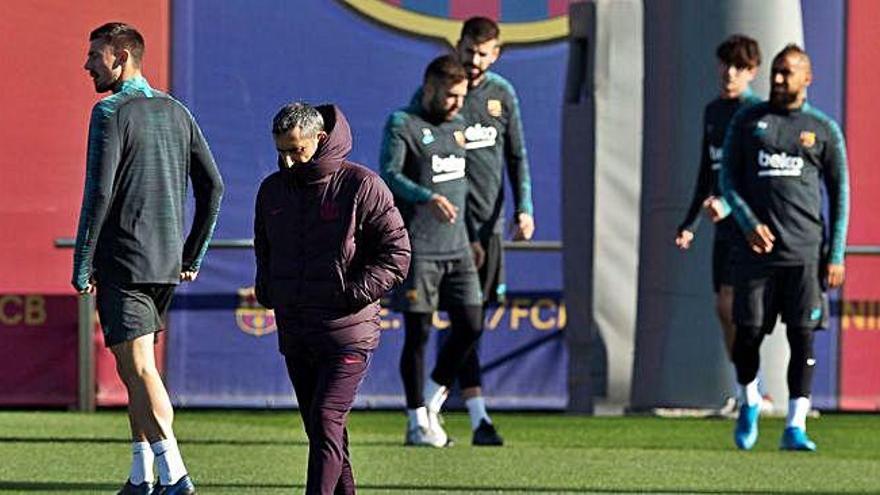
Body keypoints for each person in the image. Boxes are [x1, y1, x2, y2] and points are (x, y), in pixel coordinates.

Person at [73, 22, 224, 494]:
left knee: (138, 368)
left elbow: (99, 194)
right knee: (134, 369)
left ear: (121, 57)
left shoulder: (109, 111)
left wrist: (82, 262)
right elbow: (214, 187)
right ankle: (141, 478)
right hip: (164, 266)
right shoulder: (177, 110)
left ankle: (176, 474)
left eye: (96, 55)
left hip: (124, 262)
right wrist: (192, 252)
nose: (87, 64)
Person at [254, 103, 410, 494]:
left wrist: (352, 294)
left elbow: (397, 254)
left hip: (346, 332)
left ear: (320, 140)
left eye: (296, 150)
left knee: (326, 418)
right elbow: (264, 249)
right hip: (296, 330)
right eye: (281, 151)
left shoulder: (362, 185)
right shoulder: (272, 190)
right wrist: (268, 289)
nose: (288, 162)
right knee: (323, 430)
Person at [720, 44, 849, 451]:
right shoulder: (747, 121)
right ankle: (750, 399)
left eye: (787, 73)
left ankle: (795, 425)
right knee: (749, 334)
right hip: (756, 256)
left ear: (806, 79)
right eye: (775, 72)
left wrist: (836, 253)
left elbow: (840, 191)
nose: (778, 80)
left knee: (804, 337)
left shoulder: (823, 129)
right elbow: (727, 182)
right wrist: (748, 223)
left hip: (805, 256)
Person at [380, 55, 483, 448]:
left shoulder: (458, 126)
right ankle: (415, 421)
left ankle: (431, 397)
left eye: (461, 96)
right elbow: (390, 174)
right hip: (419, 246)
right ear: (430, 88)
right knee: (419, 333)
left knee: (472, 325)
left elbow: (466, 186)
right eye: (451, 96)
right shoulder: (402, 123)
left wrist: (473, 235)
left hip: (457, 247)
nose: (457, 103)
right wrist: (426, 197)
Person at [451, 16, 535, 446]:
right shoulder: (444, 89)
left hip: (490, 229)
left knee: (472, 323)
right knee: (458, 322)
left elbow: (517, 156)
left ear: (496, 54)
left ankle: (440, 404)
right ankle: (451, 410)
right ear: (458, 45)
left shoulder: (503, 95)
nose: (475, 60)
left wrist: (525, 208)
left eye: (484, 53)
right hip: (448, 232)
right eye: (469, 50)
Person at [674, 35, 766, 415]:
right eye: (725, 65)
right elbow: (706, 171)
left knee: (742, 309)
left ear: (752, 72)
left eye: (739, 67)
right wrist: (689, 223)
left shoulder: (756, 113)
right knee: (723, 309)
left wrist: (730, 204)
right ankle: (749, 390)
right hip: (721, 229)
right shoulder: (713, 111)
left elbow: (756, 176)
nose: (730, 73)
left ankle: (756, 390)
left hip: (750, 227)